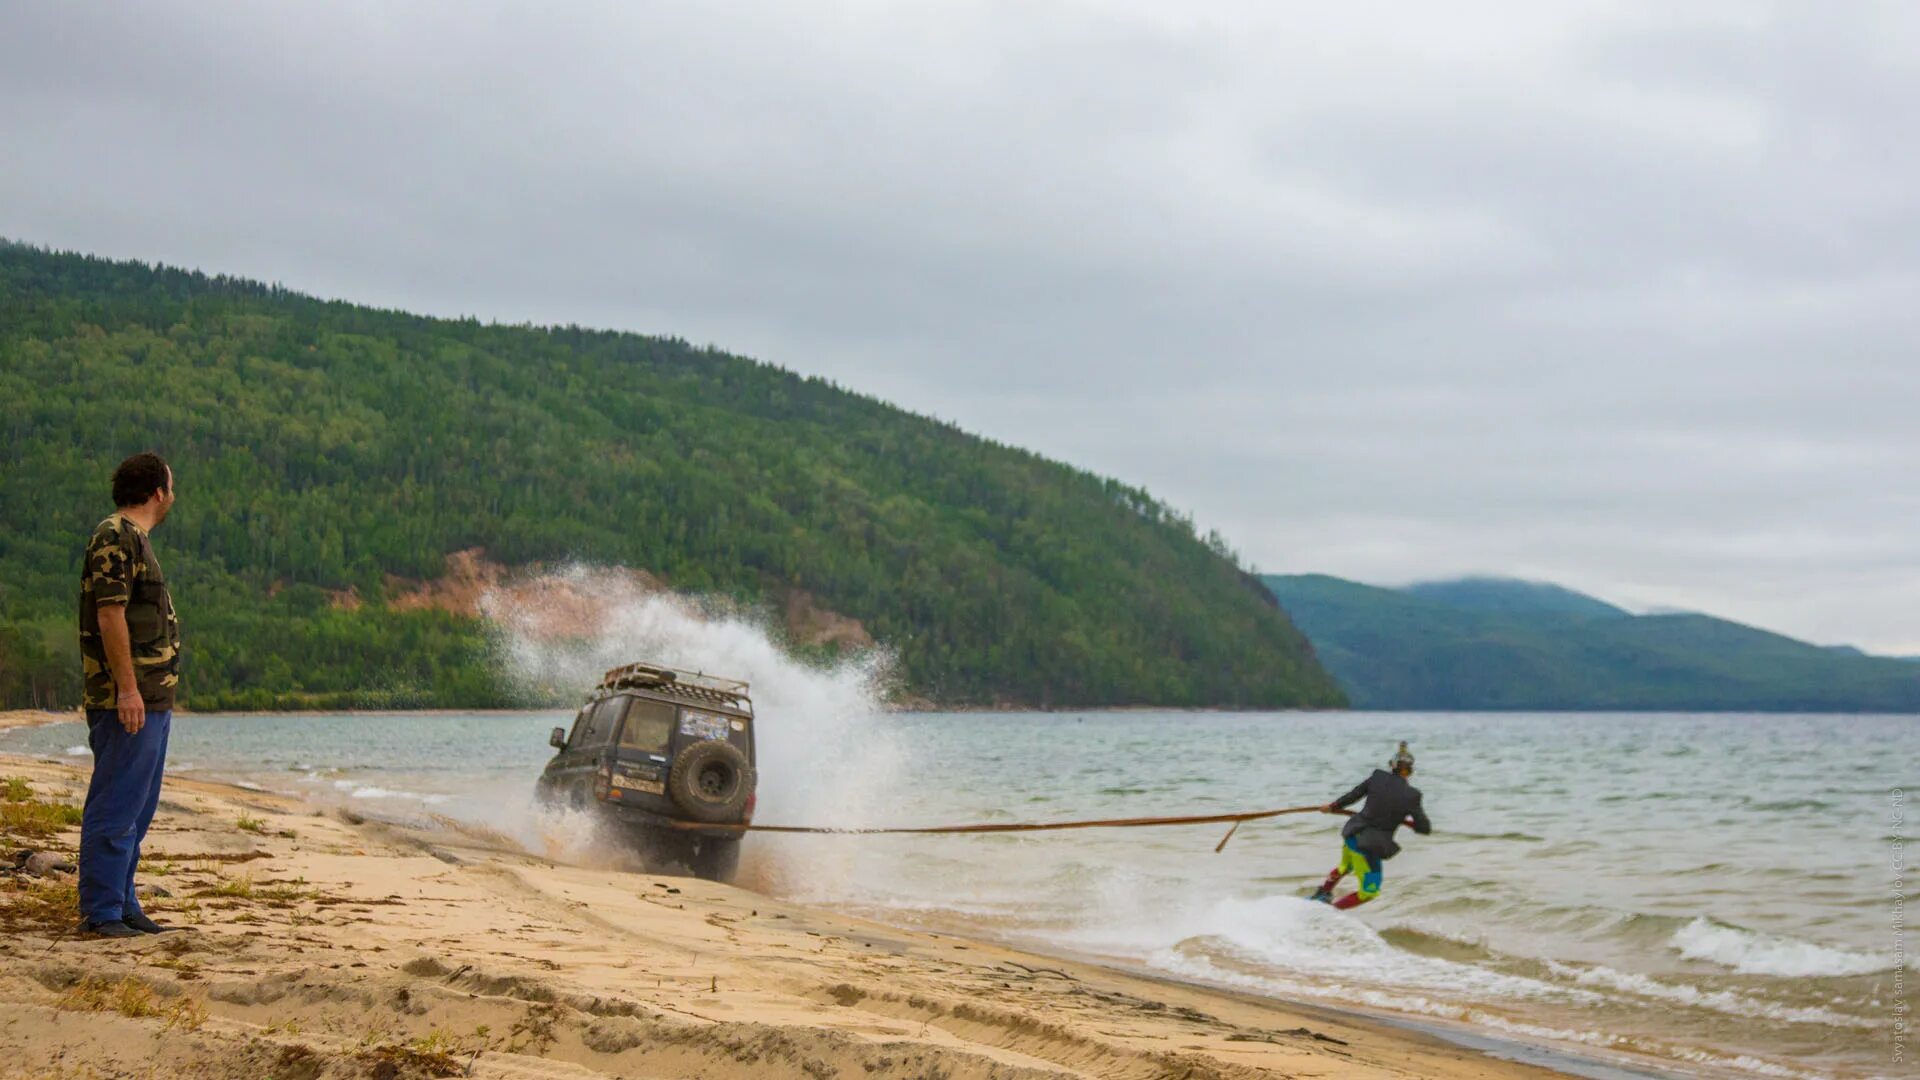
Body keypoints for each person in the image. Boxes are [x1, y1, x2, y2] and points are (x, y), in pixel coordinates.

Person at [76, 452, 181, 938]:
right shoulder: (115, 535)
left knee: (137, 808)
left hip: (152, 700)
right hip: (130, 700)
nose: (173, 495)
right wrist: (128, 690)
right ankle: (101, 912)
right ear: (158, 491)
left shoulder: (136, 540)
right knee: (116, 804)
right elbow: (110, 614)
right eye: (172, 486)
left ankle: (123, 903)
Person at [1310, 741, 1430, 909]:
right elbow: (1424, 828)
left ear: (1391, 766)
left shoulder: (1377, 777)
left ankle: (1322, 894)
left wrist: (1332, 807)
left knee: (1345, 866)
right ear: (1410, 771)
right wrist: (1408, 823)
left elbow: (1354, 795)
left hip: (1352, 834)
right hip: (1368, 847)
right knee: (1369, 892)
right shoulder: (1412, 795)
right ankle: (1328, 912)